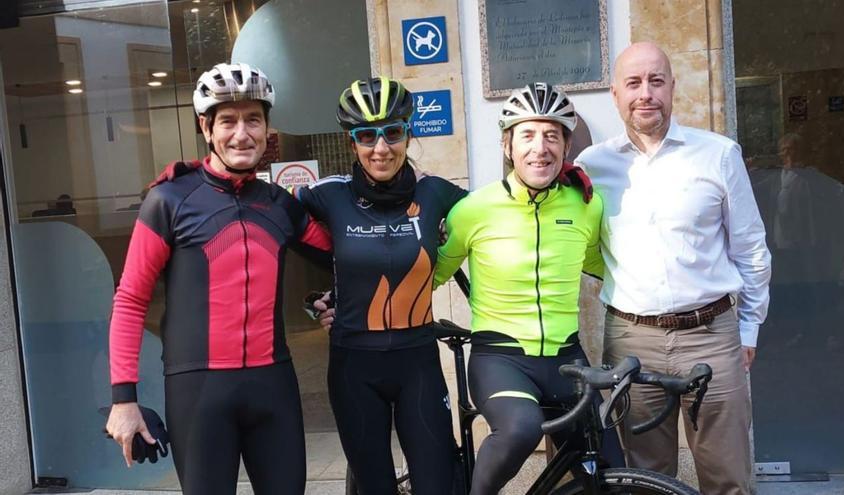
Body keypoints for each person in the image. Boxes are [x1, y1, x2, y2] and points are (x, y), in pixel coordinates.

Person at [105, 62, 330, 495]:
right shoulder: (168, 199)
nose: (241, 134)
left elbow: (343, 251)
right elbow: (131, 299)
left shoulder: (280, 205)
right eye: (228, 120)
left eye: (253, 119)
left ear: (267, 129)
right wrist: (123, 399)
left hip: (273, 386)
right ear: (206, 128)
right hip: (198, 391)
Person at [575, 42, 772, 495]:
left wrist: (748, 330)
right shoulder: (591, 166)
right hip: (631, 337)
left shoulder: (718, 154)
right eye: (634, 83)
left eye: (656, 81)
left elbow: (751, 248)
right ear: (615, 94)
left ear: (672, 88)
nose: (646, 93)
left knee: (728, 476)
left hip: (712, 334)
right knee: (646, 477)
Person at [433, 82, 622, 495]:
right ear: (508, 144)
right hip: (501, 358)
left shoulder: (587, 205)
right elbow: (430, 275)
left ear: (567, 145)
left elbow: (606, 266)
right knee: (521, 429)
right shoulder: (473, 210)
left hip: (566, 357)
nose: (541, 147)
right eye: (528, 134)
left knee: (608, 465)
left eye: (552, 135)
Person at [297, 77, 466, 495]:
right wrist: (315, 301)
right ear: (351, 142)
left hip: (418, 364)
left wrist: (564, 178)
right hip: (354, 366)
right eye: (366, 135)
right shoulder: (327, 195)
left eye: (392, 133)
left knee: (438, 484)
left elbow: (502, 211)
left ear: (408, 134)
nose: (380, 148)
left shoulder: (436, 192)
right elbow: (265, 220)